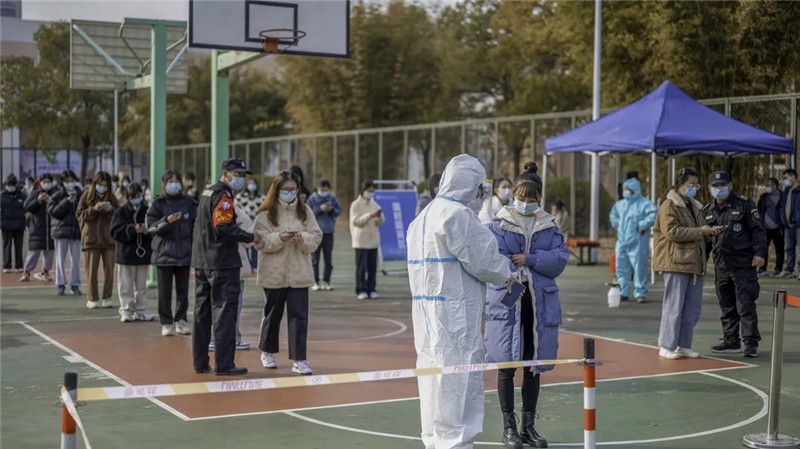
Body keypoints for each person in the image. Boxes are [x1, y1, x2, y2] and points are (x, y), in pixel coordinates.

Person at [407, 154, 515, 449]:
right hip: (456, 311)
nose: (482, 193)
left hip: (426, 313)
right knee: (458, 377)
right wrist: (508, 273)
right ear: (469, 185)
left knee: (432, 375)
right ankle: (455, 443)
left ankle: (434, 440)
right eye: (480, 186)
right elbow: (485, 261)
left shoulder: (422, 218)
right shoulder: (457, 216)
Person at [485, 162, 569, 449]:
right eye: (521, 196)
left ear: (539, 198)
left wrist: (530, 259)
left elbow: (559, 259)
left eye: (531, 198)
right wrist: (511, 272)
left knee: (533, 366)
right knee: (507, 365)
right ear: (513, 195)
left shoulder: (549, 225)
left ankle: (528, 427)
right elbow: (494, 257)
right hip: (509, 301)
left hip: (539, 303)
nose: (525, 202)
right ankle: (509, 428)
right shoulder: (498, 224)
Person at [191, 158, 259, 376]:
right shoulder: (224, 195)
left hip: (202, 260)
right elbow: (222, 226)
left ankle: (200, 362)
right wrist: (249, 236)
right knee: (224, 313)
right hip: (221, 262)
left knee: (202, 314)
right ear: (225, 173)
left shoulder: (207, 193)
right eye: (237, 174)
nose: (241, 179)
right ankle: (224, 364)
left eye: (243, 175)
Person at [253, 170, 322, 375]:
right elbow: (260, 241)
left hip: (299, 273)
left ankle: (299, 358)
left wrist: (302, 239)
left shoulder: (305, 211)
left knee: (299, 317)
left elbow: (316, 236)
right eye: (285, 189)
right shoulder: (266, 213)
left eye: (293, 189)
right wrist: (279, 238)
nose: (290, 193)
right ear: (276, 190)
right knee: (272, 315)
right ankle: (267, 351)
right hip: (274, 272)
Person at [653, 168, 718, 360]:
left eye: (697, 185)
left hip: (694, 263)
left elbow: (699, 230)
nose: (694, 188)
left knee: (692, 308)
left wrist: (709, 232)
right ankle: (666, 345)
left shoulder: (694, 206)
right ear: (680, 184)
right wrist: (701, 231)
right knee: (673, 306)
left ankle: (684, 344)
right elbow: (673, 232)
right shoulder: (669, 205)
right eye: (691, 185)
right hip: (675, 261)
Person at [703, 171, 766, 358]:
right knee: (726, 305)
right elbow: (706, 241)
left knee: (745, 305)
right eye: (715, 186)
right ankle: (731, 340)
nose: (719, 189)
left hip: (743, 265)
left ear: (729, 186)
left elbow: (758, 231)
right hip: (721, 266)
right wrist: (701, 263)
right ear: (709, 188)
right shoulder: (708, 210)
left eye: (722, 185)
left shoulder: (744, 204)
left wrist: (759, 254)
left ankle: (750, 343)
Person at [146, 169, 196, 337]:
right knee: (164, 292)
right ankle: (166, 322)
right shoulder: (158, 204)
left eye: (176, 181)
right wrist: (167, 221)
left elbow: (196, 224)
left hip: (184, 254)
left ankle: (181, 320)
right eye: (170, 182)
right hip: (164, 254)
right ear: (163, 184)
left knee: (183, 291)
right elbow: (151, 227)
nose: (174, 185)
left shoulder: (188, 203)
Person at [209, 205, 254, 352]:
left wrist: (239, 232)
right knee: (215, 305)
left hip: (235, 266)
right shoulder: (207, 210)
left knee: (234, 306)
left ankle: (234, 337)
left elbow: (250, 238)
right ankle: (213, 338)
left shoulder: (239, 212)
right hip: (216, 265)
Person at [110, 183, 154, 323]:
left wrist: (146, 231)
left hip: (142, 254)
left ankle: (141, 310)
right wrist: (132, 229)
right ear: (128, 197)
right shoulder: (121, 212)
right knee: (126, 284)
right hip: (126, 254)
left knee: (141, 285)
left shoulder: (147, 211)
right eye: (133, 196)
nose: (137, 198)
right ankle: (126, 310)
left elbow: (155, 229)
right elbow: (115, 231)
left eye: (139, 195)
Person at [610, 177, 657, 303]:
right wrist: (616, 224)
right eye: (624, 189)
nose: (625, 191)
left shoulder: (644, 204)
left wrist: (643, 225)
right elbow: (613, 214)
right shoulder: (620, 204)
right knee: (621, 267)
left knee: (639, 268)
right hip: (622, 241)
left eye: (628, 189)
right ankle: (623, 292)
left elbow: (653, 214)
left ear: (634, 189)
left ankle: (640, 293)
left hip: (638, 241)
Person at [77, 171, 119, 309]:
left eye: (105, 185)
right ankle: (92, 298)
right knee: (91, 270)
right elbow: (80, 215)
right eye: (100, 184)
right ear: (94, 184)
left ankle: (107, 297)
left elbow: (119, 216)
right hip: (91, 238)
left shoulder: (112, 197)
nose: (102, 187)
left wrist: (110, 209)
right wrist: (94, 209)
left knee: (109, 270)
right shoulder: (86, 196)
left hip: (109, 239)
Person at [49, 170, 84, 296]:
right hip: (61, 231)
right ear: (63, 182)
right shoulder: (57, 195)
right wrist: (66, 201)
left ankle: (75, 284)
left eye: (72, 181)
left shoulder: (81, 195)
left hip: (76, 231)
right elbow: (53, 212)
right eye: (67, 181)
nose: (70, 183)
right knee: (60, 259)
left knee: (76, 259)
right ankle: (61, 284)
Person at [349, 180, 385, 300]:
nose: (371, 194)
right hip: (361, 241)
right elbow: (356, 222)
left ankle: (371, 289)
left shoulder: (375, 204)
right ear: (363, 191)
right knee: (361, 267)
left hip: (373, 240)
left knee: (372, 268)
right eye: (369, 191)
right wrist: (370, 216)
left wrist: (379, 216)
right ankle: (361, 289)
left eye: (372, 192)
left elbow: (381, 222)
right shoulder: (355, 205)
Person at [306, 179, 342, 291]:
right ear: (317, 188)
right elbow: (307, 213)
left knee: (328, 259)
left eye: (326, 190)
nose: (324, 192)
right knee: (315, 259)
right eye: (322, 189)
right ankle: (315, 281)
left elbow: (338, 211)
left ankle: (327, 281)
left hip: (328, 233)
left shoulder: (332, 199)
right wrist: (319, 209)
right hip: (315, 234)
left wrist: (331, 210)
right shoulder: (312, 199)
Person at [22, 174, 56, 283]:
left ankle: (46, 271)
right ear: (40, 182)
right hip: (37, 228)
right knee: (34, 251)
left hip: (51, 228)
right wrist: (38, 200)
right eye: (44, 181)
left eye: (48, 182)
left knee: (49, 251)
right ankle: (27, 271)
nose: (46, 184)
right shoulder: (35, 194)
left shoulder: (55, 194)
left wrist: (51, 201)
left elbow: (60, 207)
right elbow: (26, 206)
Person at [235, 176, 265, 271]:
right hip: (244, 225)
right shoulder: (240, 197)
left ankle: (255, 265)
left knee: (256, 245)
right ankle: (247, 265)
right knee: (245, 244)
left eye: (253, 183)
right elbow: (236, 210)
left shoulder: (261, 197)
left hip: (257, 224)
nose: (252, 185)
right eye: (250, 183)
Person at [757, 177, 783, 277]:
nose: (768, 187)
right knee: (764, 248)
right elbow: (759, 211)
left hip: (778, 227)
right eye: (766, 185)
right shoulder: (763, 198)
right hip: (765, 227)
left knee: (779, 249)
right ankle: (762, 268)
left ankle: (778, 269)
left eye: (770, 185)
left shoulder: (782, 196)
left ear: (775, 186)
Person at [777, 169, 800, 278]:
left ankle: (798, 270)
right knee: (789, 248)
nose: (784, 181)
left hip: (798, 224)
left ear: (793, 177)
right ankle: (789, 269)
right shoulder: (785, 192)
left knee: (799, 247)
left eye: (786, 178)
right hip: (787, 225)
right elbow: (782, 207)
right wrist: (782, 220)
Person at [1, 175, 26, 273]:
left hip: (19, 224)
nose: (10, 186)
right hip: (6, 225)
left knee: (19, 246)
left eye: (12, 184)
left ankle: (19, 266)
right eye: (8, 184)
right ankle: (7, 266)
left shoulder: (22, 195)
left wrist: (25, 217)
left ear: (16, 185)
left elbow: (27, 207)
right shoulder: (2, 196)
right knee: (6, 245)